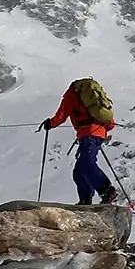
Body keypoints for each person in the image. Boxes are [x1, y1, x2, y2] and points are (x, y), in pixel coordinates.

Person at [41, 78, 119, 206]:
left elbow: (62, 114)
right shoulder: (93, 98)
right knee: (79, 170)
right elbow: (109, 123)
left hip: (88, 132)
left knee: (85, 164)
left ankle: (106, 190)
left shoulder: (73, 94)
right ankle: (85, 201)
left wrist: (50, 123)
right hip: (98, 132)